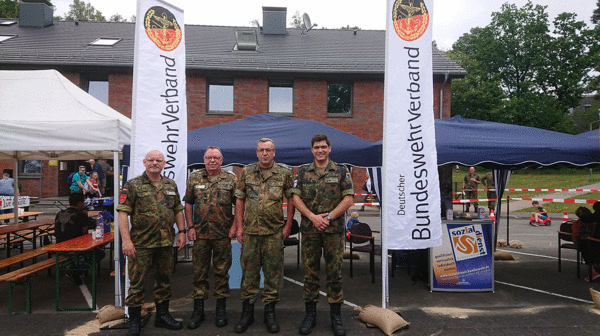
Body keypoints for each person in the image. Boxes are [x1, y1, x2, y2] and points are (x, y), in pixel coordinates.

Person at [117, 150, 187, 335]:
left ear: (164, 164)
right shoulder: (132, 185)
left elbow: (178, 209)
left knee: (164, 281)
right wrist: (126, 240)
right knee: (137, 283)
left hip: (165, 243)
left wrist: (182, 232)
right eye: (151, 160)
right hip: (141, 244)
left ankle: (162, 316)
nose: (154, 163)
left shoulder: (170, 185)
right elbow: (123, 212)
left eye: (158, 160)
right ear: (144, 162)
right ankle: (134, 321)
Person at [290, 133, 354, 336]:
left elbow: (349, 199)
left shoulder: (342, 171)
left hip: (333, 231)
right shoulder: (302, 173)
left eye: (323, 147)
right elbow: (295, 198)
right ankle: (310, 315)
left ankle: (336, 316)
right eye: (316, 147)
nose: (320, 150)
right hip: (310, 231)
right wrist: (312, 217)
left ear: (329, 148)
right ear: (312, 150)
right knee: (310, 274)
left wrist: (327, 218)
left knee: (334, 274)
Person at [232, 138, 295, 334]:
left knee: (273, 275)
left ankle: (270, 313)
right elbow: (239, 200)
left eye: (268, 150)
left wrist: (288, 226)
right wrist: (239, 227)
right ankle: (247, 313)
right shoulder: (246, 172)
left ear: (274, 153)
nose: (265, 153)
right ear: (257, 152)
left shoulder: (284, 174)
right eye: (261, 150)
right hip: (250, 233)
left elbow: (291, 200)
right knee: (249, 275)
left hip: (273, 233)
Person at [183, 146, 237, 329]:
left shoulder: (231, 179)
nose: (212, 160)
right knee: (199, 273)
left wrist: (236, 226)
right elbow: (188, 203)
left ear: (222, 160)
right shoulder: (194, 178)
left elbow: (238, 204)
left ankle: (220, 310)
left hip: (223, 234)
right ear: (203, 159)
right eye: (209, 157)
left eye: (216, 157)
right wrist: (189, 226)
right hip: (200, 234)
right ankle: (198, 311)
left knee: (222, 272)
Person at [54, 192, 105, 285]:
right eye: (83, 202)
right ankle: (77, 271)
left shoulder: (59, 213)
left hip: (59, 247)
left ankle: (70, 267)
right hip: (74, 247)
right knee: (99, 253)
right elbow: (84, 234)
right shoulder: (80, 214)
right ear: (79, 203)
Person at [571, 206, 599, 281]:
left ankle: (593, 271)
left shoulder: (578, 224)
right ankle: (593, 270)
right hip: (591, 242)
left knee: (586, 249)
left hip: (589, 243)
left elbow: (575, 235)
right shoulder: (593, 223)